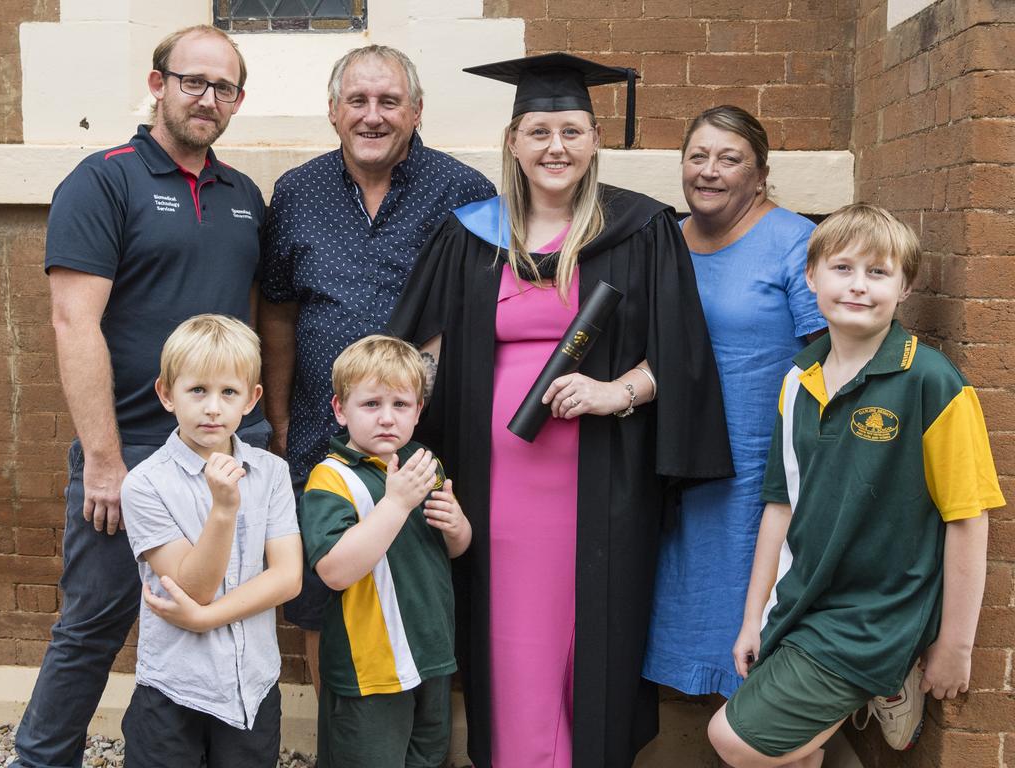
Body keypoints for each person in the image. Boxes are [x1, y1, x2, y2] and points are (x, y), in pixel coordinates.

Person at [389, 53, 734, 768]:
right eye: (539, 131)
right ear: (513, 141)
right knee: (509, 634)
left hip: (601, 476)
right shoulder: (471, 235)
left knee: (594, 628)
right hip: (494, 481)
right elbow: (421, 354)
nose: (556, 147)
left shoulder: (639, 230)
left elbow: (685, 354)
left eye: (572, 130)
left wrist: (615, 393)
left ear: (597, 137)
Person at [14, 25, 268, 768]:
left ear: (238, 102)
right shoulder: (104, 180)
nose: (207, 98)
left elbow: (246, 326)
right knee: (94, 622)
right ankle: (40, 759)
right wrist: (102, 460)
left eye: (223, 88)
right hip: (126, 456)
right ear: (158, 84)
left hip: (222, 460)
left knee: (214, 619)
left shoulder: (246, 197)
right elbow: (73, 322)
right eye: (193, 81)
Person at [708, 204, 1005, 768]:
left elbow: (969, 519)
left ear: (905, 285)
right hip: (803, 599)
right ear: (812, 277)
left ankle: (893, 679)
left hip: (876, 614)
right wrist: (753, 618)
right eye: (843, 269)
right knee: (793, 754)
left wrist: (955, 646)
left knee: (733, 739)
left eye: (879, 272)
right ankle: (875, 688)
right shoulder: (800, 379)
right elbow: (780, 504)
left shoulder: (932, 382)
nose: (859, 287)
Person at [258, 44, 495, 690]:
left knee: (425, 584)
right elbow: (277, 312)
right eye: (357, 101)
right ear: (333, 111)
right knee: (322, 591)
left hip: (427, 438)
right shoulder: (298, 193)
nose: (372, 115)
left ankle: (421, 738)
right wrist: (279, 418)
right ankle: (345, 734)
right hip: (320, 432)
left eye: (389, 101)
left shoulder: (464, 192)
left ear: (416, 111)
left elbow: (485, 310)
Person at [644, 106, 826, 704]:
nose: (710, 171)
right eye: (698, 156)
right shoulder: (663, 241)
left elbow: (827, 361)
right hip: (678, 465)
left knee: (752, 627)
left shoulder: (794, 242)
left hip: (755, 471)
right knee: (683, 610)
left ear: (760, 175)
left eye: (730, 159)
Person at [119, 315, 302, 767]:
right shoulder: (145, 484)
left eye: (229, 393)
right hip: (176, 688)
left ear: (252, 399)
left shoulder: (271, 472)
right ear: (166, 394)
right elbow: (192, 587)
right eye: (197, 390)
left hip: (252, 687)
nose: (213, 408)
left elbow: (288, 577)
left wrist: (205, 620)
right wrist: (223, 510)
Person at [297, 335, 471, 768]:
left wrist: (457, 527)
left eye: (401, 405)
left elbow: (450, 551)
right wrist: (394, 504)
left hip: (430, 650)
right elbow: (335, 571)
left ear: (418, 410)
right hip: (369, 666)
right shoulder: (331, 478)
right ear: (340, 409)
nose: (387, 418)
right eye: (371, 404)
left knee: (427, 756)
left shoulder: (422, 464)